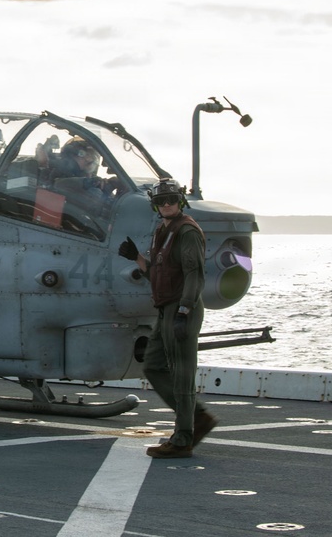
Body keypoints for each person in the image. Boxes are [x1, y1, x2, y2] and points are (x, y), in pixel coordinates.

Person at [118, 178, 218, 458]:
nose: (166, 204)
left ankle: (184, 438)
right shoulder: (164, 231)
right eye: (161, 201)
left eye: (171, 199)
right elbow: (160, 274)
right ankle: (196, 418)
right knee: (153, 366)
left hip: (181, 309)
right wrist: (136, 258)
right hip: (167, 309)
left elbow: (194, 275)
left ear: (181, 201)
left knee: (182, 376)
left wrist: (184, 312)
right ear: (154, 205)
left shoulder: (186, 231)